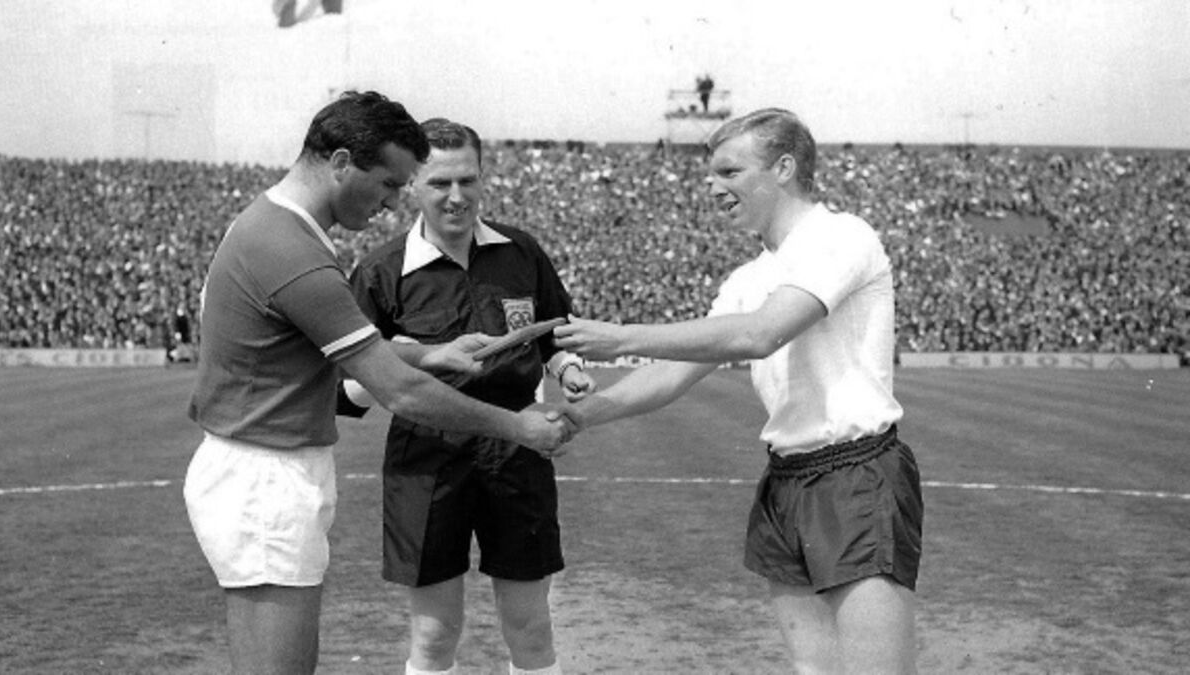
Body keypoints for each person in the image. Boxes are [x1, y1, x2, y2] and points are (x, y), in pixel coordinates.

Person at [183, 92, 574, 675]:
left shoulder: (277, 228)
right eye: (391, 183)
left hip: (267, 469)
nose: (393, 201)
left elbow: (360, 353)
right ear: (342, 163)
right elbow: (399, 391)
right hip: (267, 478)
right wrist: (516, 426)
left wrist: (430, 352)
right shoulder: (293, 251)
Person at [554, 108, 923, 674]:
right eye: (711, 174)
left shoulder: (841, 237)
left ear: (784, 168)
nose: (713, 188)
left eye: (729, 172)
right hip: (787, 478)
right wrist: (581, 415)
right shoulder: (749, 277)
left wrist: (620, 336)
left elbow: (760, 333)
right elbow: (674, 372)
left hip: (856, 474)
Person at [343, 118, 594, 675]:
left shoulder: (521, 252)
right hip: (425, 454)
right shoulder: (381, 271)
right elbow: (350, 382)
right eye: (439, 183)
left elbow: (554, 334)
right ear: (414, 184)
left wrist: (570, 368)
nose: (456, 196)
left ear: (483, 177)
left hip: (518, 447)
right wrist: (416, 356)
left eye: (467, 180)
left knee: (531, 626)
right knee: (435, 634)